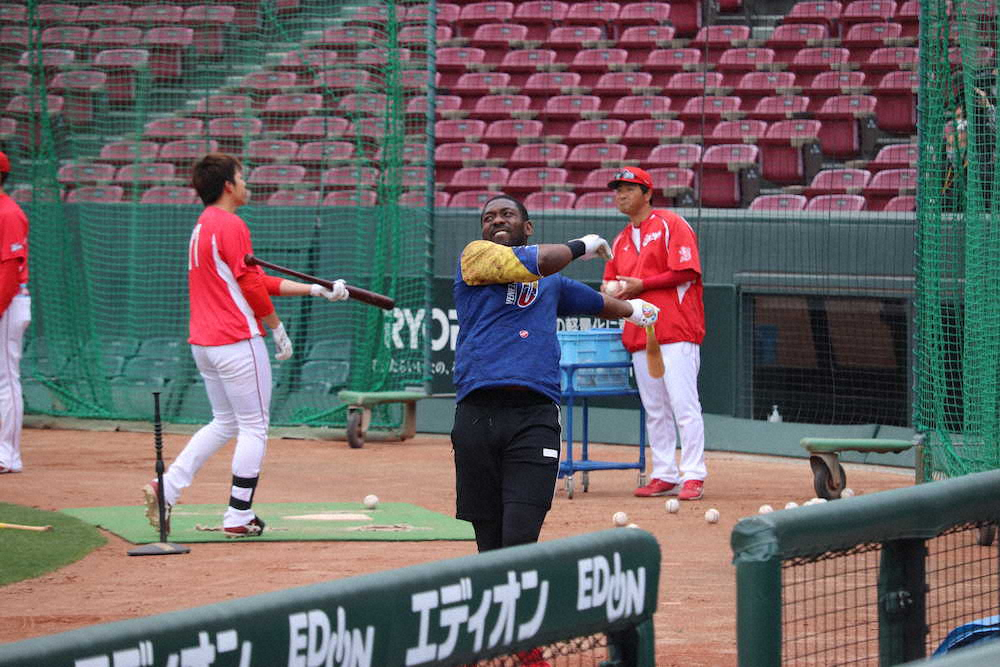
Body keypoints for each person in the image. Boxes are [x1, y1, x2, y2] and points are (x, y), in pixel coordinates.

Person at [143, 152, 350, 537]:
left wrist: (315, 290)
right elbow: (251, 285)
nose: (246, 182)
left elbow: (257, 278)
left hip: (205, 344)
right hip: (236, 340)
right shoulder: (231, 223)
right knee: (254, 427)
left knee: (225, 423)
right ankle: (239, 515)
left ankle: (167, 486)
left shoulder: (204, 224)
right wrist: (275, 326)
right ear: (228, 185)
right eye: (241, 176)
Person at [452, 193, 659, 555]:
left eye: (507, 214)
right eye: (489, 218)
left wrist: (633, 311)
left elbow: (594, 302)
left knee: (519, 540)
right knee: (488, 545)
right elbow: (547, 258)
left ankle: (520, 606)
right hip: (476, 413)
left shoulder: (551, 282)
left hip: (534, 415)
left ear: (527, 227)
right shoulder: (474, 257)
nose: (497, 221)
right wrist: (583, 245)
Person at [601, 167, 707, 501]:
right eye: (617, 190)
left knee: (684, 406)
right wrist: (610, 289)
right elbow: (610, 281)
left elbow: (687, 270)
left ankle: (693, 474)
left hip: (675, 330)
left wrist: (642, 284)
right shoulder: (619, 240)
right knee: (655, 409)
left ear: (648, 193)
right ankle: (664, 472)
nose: (621, 194)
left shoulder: (671, 224)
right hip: (639, 334)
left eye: (629, 189)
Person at [0, 151, 30, 474]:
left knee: (6, 379)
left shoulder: (8, 213)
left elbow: (9, 271)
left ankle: (8, 455)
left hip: (8, 301)